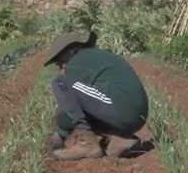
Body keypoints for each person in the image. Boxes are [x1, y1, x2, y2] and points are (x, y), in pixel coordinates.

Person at [45, 29, 150, 161]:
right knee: (86, 106)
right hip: (136, 116)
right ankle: (121, 139)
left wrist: (60, 133)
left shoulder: (77, 62)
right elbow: (89, 102)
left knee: (59, 82)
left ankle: (88, 143)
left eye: (59, 62)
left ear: (68, 52)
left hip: (119, 107)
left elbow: (72, 107)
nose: (61, 67)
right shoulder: (96, 57)